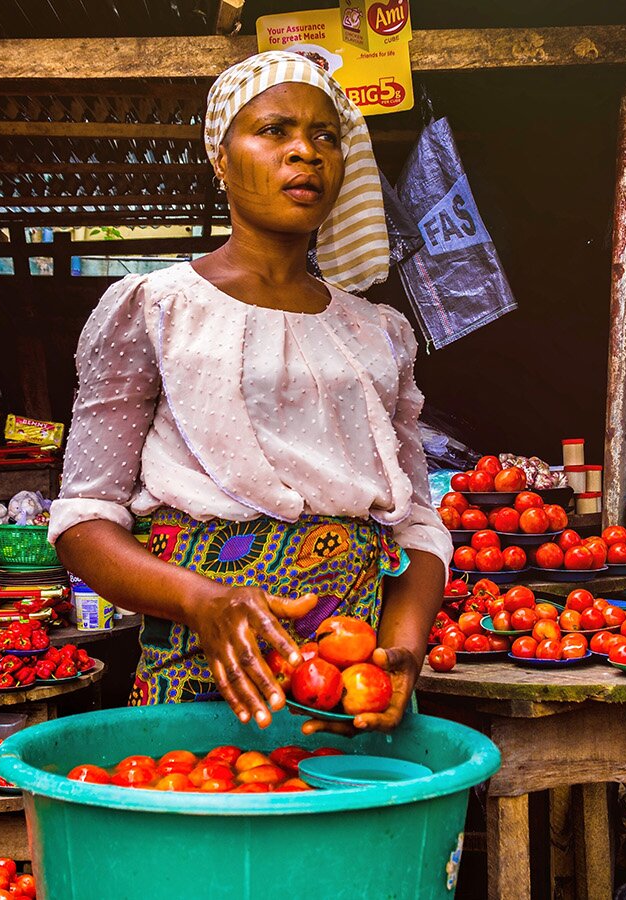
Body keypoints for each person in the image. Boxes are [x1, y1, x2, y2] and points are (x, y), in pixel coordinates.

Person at [50, 52, 452, 735]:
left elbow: (416, 524)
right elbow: (84, 521)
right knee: (206, 821)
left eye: (326, 136)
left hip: (353, 690)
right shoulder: (155, 308)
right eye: (274, 130)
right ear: (221, 158)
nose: (306, 150)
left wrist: (401, 654)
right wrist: (205, 603)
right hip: (200, 670)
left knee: (352, 836)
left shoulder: (378, 333)